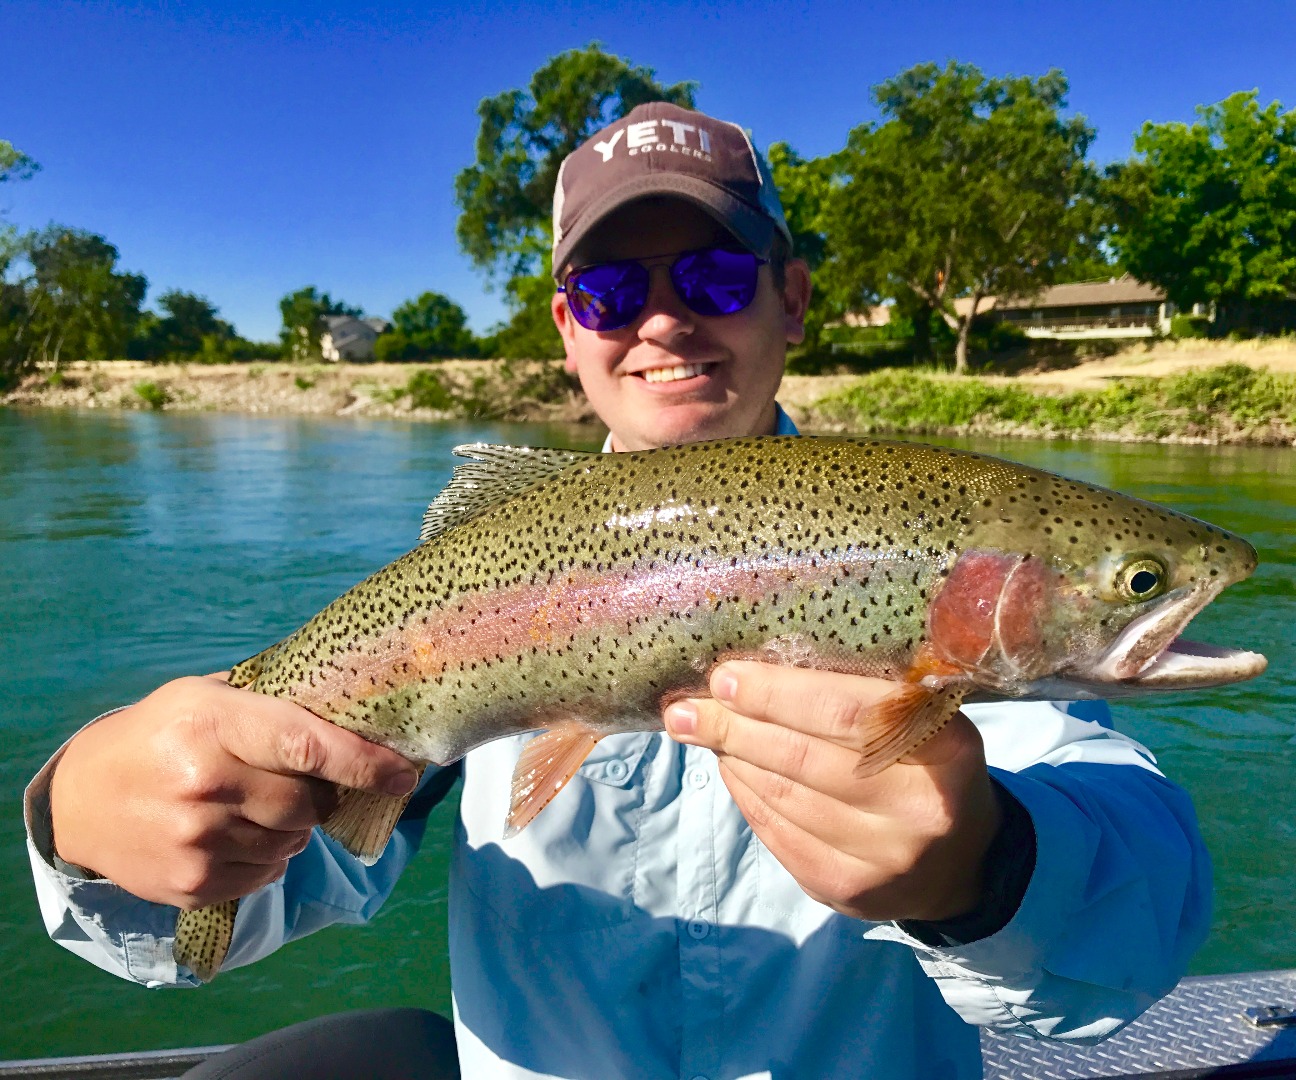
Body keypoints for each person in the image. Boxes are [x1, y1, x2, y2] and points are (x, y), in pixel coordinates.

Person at [26, 102, 1211, 1080]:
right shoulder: (473, 594)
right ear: (566, 326)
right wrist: (89, 824)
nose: (660, 320)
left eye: (712, 274)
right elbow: (255, 891)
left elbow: (1137, 911)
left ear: (792, 296)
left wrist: (986, 873)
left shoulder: (927, 545)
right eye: (606, 294)